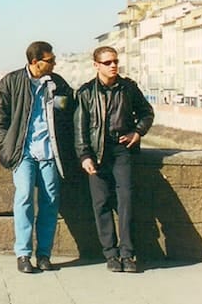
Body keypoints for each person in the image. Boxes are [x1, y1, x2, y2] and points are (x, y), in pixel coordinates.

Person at [0, 41, 75, 273]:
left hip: (50, 153)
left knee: (50, 203)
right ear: (35, 62)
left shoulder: (58, 84)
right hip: (24, 153)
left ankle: (44, 255)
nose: (55, 63)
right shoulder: (11, 82)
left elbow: (70, 115)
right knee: (24, 197)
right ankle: (23, 255)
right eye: (50, 60)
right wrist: (7, 147)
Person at [74, 46, 154, 273]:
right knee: (101, 204)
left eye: (115, 61)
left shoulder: (128, 88)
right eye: (108, 62)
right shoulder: (86, 92)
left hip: (122, 151)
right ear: (96, 65)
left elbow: (147, 112)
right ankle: (110, 254)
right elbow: (80, 128)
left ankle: (128, 254)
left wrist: (137, 132)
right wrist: (84, 155)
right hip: (97, 152)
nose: (113, 66)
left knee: (126, 201)